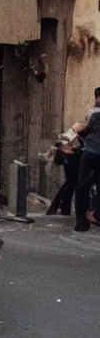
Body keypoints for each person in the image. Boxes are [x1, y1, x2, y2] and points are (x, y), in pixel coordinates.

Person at [75, 87, 100, 231]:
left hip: (91, 152)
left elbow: (85, 132)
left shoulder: (95, 114)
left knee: (82, 185)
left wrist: (77, 130)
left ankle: (81, 221)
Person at [48, 122, 84, 216]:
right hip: (71, 161)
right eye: (81, 127)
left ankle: (62, 208)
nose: (83, 128)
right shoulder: (67, 136)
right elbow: (64, 149)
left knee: (70, 184)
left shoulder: (76, 136)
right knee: (70, 184)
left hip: (73, 161)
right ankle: (63, 208)